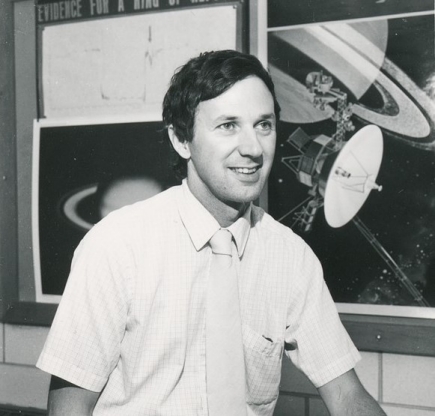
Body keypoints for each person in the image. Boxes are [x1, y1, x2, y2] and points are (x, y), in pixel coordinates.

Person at [37, 50, 386, 415]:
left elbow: (347, 395)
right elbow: (70, 405)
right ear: (181, 140)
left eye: (263, 125)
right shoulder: (116, 246)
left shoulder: (291, 258)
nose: (252, 149)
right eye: (228, 126)